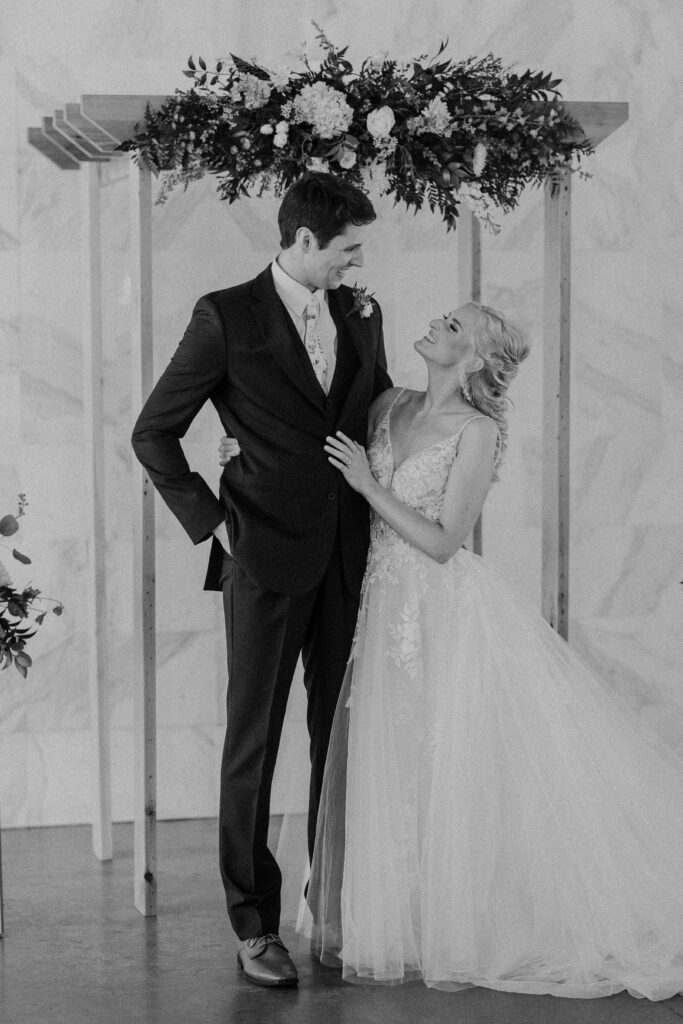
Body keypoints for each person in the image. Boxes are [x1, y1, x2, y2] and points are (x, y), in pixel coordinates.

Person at [303, 301, 683, 999]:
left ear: (474, 359)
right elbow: (313, 444)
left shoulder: (477, 432)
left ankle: (467, 920)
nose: (435, 325)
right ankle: (400, 918)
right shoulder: (389, 403)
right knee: (390, 760)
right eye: (442, 317)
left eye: (452, 327)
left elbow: (445, 541)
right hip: (380, 608)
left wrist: (366, 484)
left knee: (452, 763)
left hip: (439, 610)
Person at [131, 172, 392, 988]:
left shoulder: (362, 311)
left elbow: (373, 411)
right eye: (347, 250)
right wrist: (214, 524)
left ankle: (332, 907)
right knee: (254, 742)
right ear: (304, 240)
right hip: (261, 557)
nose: (356, 266)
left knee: (337, 742)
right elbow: (154, 433)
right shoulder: (224, 316)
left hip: (348, 553)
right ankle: (254, 926)